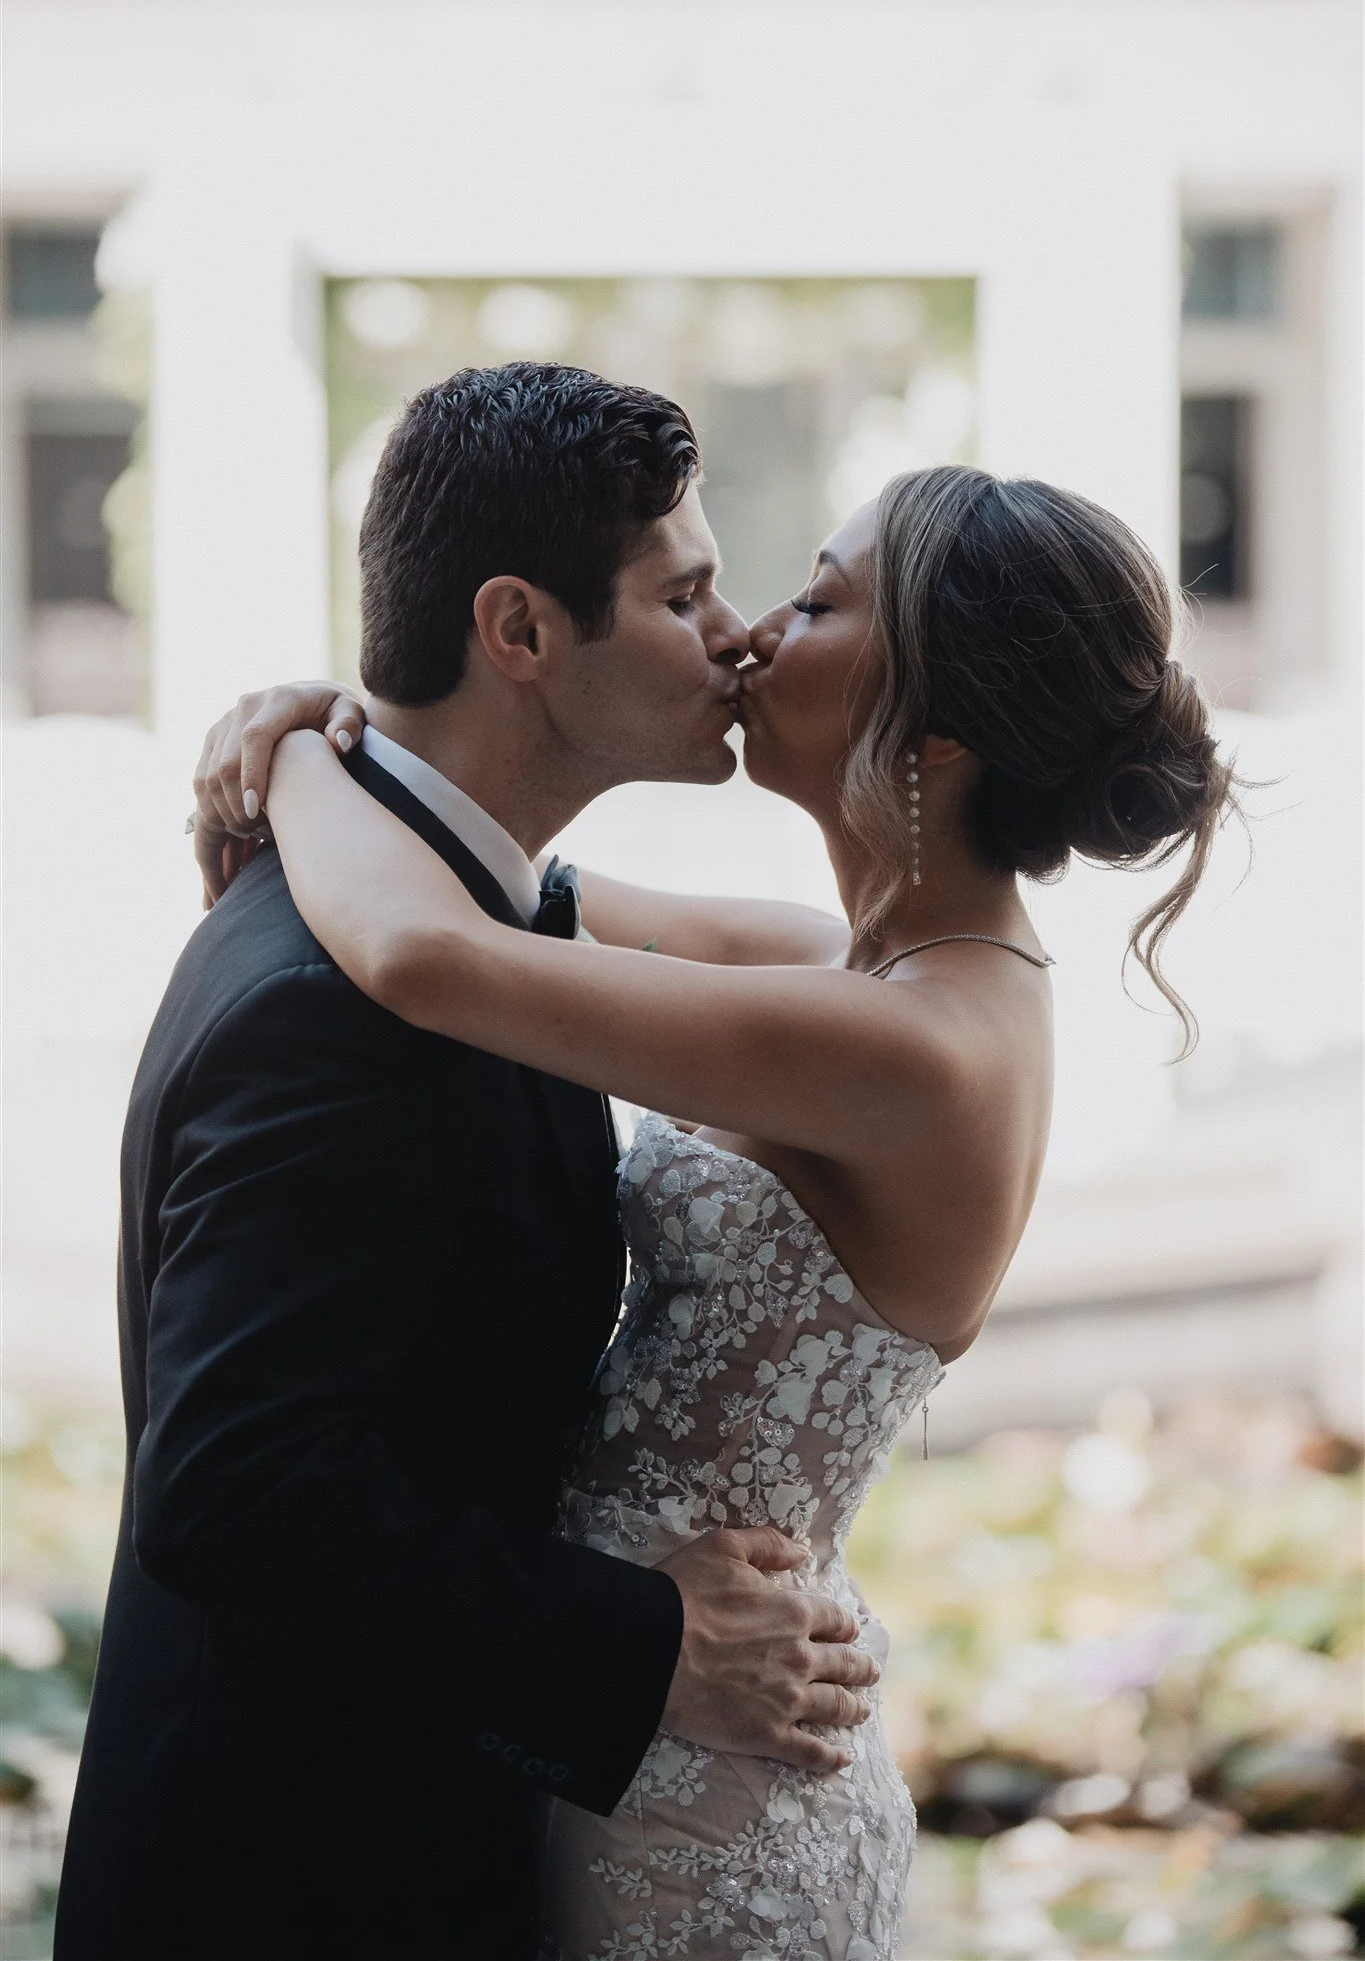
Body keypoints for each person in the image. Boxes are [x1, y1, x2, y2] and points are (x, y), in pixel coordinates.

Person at [192, 457, 1239, 1958]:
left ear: (935, 726)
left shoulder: (914, 1052)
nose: (748, 634)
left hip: (713, 1822)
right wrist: (340, 743)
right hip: (617, 1723)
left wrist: (296, 750)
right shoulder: (846, 966)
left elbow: (427, 955)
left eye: (816, 602)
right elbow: (511, 886)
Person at [54, 365, 883, 1961]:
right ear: (518, 633)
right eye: (683, 591)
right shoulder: (339, 1005)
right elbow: (233, 1490)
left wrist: (293, 751)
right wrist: (647, 1643)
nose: (732, 635)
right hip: (285, 1882)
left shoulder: (461, 908)